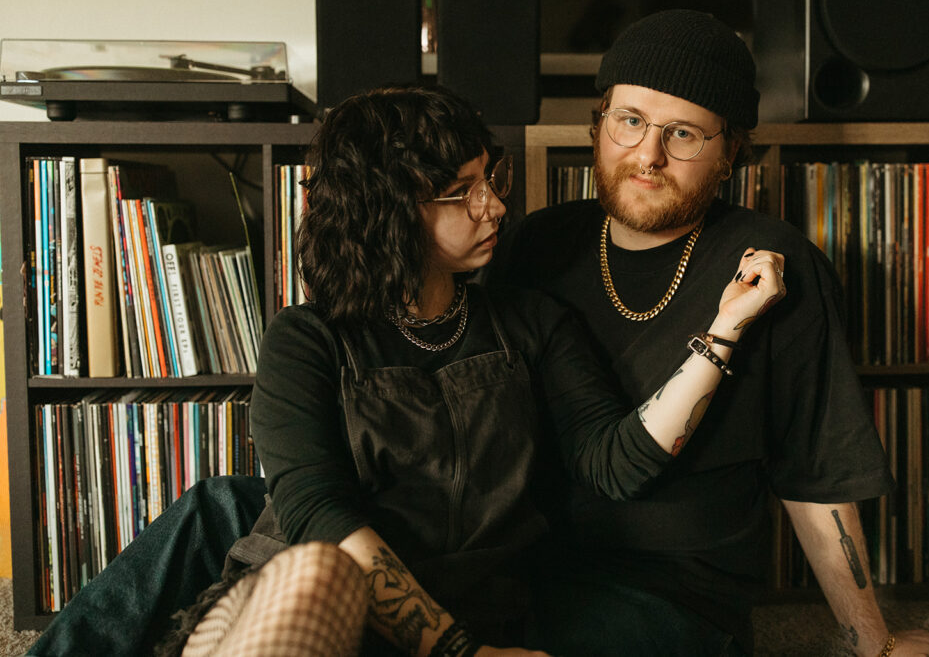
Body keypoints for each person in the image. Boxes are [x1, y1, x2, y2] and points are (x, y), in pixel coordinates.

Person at [29, 84, 783, 657]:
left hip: (469, 608)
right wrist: (457, 652)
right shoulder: (307, 340)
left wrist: (721, 334)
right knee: (314, 572)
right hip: (311, 606)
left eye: (491, 179)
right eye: (461, 193)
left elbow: (615, 463)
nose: (493, 208)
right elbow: (322, 517)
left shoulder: (533, 323)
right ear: (390, 211)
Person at [487, 10, 929, 657]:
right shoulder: (537, 243)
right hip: (528, 567)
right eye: (631, 120)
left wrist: (874, 642)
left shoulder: (774, 265)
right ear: (598, 124)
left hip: (677, 591)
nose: (648, 154)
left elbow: (814, 472)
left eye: (685, 134)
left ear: (729, 156)